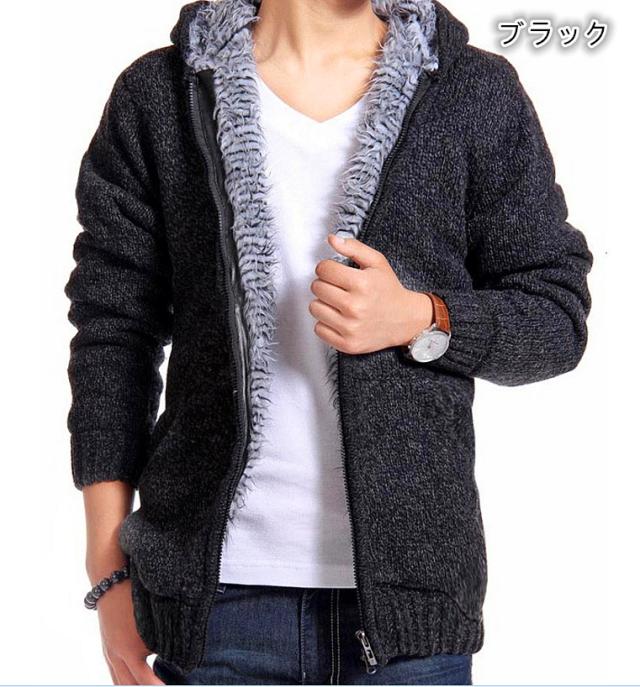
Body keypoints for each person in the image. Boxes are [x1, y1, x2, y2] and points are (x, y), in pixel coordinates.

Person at [65, 0, 594, 684]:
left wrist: (422, 317)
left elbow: (555, 314)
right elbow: (113, 332)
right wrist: (107, 571)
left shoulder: (472, 91)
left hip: (411, 613)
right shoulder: (161, 94)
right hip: (214, 604)